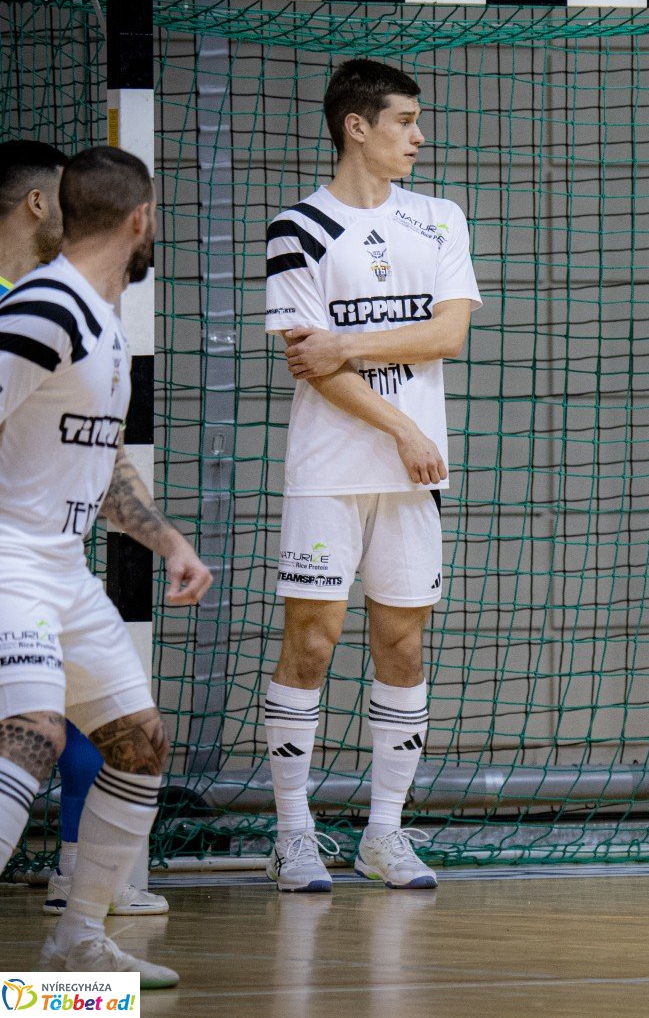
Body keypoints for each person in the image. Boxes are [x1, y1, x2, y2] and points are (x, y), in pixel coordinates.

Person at [261, 59, 480, 892]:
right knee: (311, 642)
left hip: (412, 474)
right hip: (330, 468)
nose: (419, 137)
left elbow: (447, 335)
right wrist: (399, 425)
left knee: (404, 642)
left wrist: (348, 342)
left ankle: (384, 834)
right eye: (404, 121)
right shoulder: (298, 227)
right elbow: (306, 364)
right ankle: (293, 835)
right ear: (357, 126)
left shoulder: (439, 219)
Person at [0, 146, 213, 983]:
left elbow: (102, 461)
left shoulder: (104, 319)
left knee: (139, 741)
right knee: (34, 735)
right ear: (139, 219)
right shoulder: (45, 307)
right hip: (8, 555)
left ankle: (74, 953)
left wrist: (168, 542)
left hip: (63, 564)